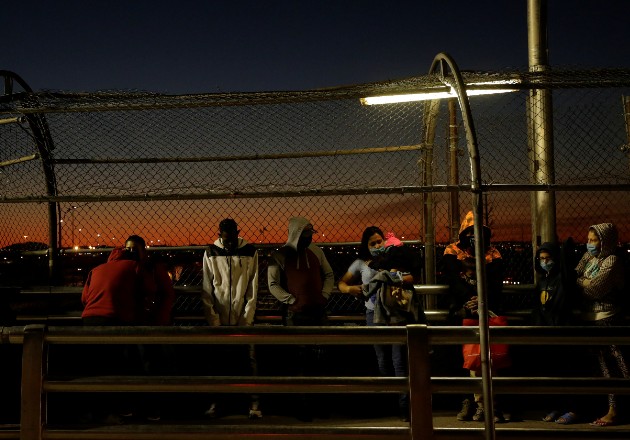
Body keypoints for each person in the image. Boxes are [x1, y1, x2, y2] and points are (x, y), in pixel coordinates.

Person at [338, 227, 424, 421]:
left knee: (399, 361)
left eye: (380, 241)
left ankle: (404, 410)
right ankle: (388, 405)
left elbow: (414, 277)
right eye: (372, 243)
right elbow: (342, 282)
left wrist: (396, 277)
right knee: (382, 361)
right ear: (365, 246)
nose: (378, 246)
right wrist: (349, 289)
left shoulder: (395, 256)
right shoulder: (361, 263)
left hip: (395, 314)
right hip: (373, 315)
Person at [441, 211, 505, 423]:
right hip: (462, 309)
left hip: (486, 308)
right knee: (463, 358)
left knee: (489, 357)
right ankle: (467, 400)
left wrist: (481, 300)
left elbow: (496, 283)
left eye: (477, 231)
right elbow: (452, 278)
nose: (473, 236)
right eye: (469, 232)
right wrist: (470, 298)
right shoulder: (452, 250)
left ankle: (492, 404)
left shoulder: (493, 253)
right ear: (463, 233)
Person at [267, 217, 334, 421]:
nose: (309, 238)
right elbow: (272, 283)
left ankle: (319, 405)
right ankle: (302, 407)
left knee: (320, 360)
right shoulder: (280, 255)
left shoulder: (316, 251)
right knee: (299, 361)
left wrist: (324, 295)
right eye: (305, 235)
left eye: (310, 235)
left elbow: (329, 274)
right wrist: (290, 300)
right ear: (296, 234)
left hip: (317, 312)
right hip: (295, 314)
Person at [200, 218, 261, 419]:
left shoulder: (250, 252)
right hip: (220, 319)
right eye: (225, 238)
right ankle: (218, 402)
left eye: (231, 238)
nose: (228, 243)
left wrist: (246, 321)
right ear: (219, 235)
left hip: (241, 318)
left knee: (248, 361)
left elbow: (252, 289)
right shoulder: (210, 252)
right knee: (217, 363)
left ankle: (253, 404)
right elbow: (207, 290)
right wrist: (214, 322)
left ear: (237, 233)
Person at [575, 223, 627, 427]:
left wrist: (585, 282)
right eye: (588, 240)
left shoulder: (612, 260)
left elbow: (593, 291)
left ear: (606, 241)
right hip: (589, 318)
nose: (589, 244)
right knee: (599, 366)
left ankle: (616, 410)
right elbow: (574, 276)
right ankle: (605, 407)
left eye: (593, 240)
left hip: (608, 317)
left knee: (614, 366)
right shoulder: (590, 258)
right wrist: (585, 281)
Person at [531, 241, 580, 424]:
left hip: (563, 331)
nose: (545, 262)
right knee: (551, 372)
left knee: (567, 372)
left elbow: (568, 275)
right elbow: (537, 307)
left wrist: (565, 249)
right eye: (542, 259)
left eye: (548, 258)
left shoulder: (563, 278)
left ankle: (572, 409)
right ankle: (556, 407)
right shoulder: (542, 280)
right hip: (546, 333)